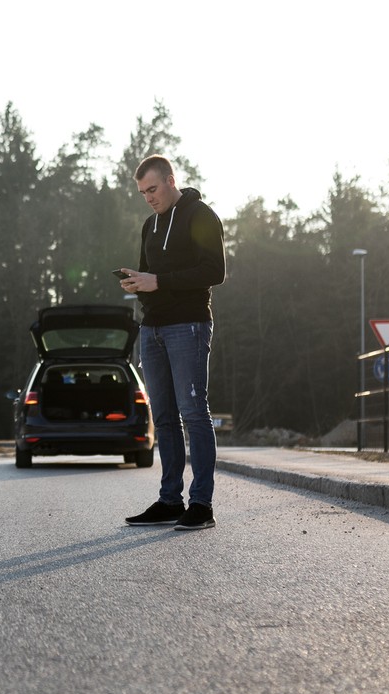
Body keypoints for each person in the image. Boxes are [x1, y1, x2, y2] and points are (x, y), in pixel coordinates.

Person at [118, 154, 226, 530]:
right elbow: (148, 276)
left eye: (152, 189)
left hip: (189, 327)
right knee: (162, 418)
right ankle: (169, 501)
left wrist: (159, 283)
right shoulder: (149, 225)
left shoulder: (201, 216)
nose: (148, 197)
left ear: (170, 180)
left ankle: (201, 505)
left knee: (194, 414)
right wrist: (138, 283)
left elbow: (215, 271)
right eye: (142, 192)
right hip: (153, 329)